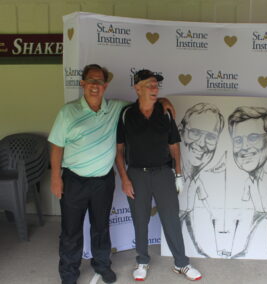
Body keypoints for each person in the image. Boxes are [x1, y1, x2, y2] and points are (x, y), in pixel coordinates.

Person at [48, 64, 174, 284]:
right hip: (73, 180)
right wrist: (56, 178)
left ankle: (102, 265)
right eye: (91, 81)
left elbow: (143, 103)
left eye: (100, 82)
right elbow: (57, 147)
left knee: (101, 227)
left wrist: (162, 101)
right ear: (83, 83)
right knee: (71, 231)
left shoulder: (116, 108)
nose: (95, 86)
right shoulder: (67, 112)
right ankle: (68, 273)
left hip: (103, 181)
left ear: (105, 86)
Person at [115, 69, 202, 281]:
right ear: (137, 88)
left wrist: (178, 174)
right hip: (136, 174)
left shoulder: (165, 112)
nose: (154, 89)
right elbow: (119, 150)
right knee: (140, 219)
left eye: (156, 85)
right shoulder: (126, 114)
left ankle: (181, 263)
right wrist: (125, 179)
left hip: (164, 173)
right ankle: (142, 261)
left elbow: (174, 147)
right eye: (149, 85)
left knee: (171, 219)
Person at [228, 106, 267, 259]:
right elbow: (244, 203)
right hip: (258, 212)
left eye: (252, 138)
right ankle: (245, 250)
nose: (244, 147)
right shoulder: (248, 182)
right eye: (238, 140)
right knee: (250, 230)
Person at [178, 102, 225, 257]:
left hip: (188, 212)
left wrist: (212, 214)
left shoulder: (197, 180)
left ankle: (197, 250)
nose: (201, 143)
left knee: (192, 234)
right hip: (177, 212)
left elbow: (204, 199)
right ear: (181, 132)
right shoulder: (167, 175)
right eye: (195, 132)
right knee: (175, 232)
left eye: (211, 137)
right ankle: (177, 252)